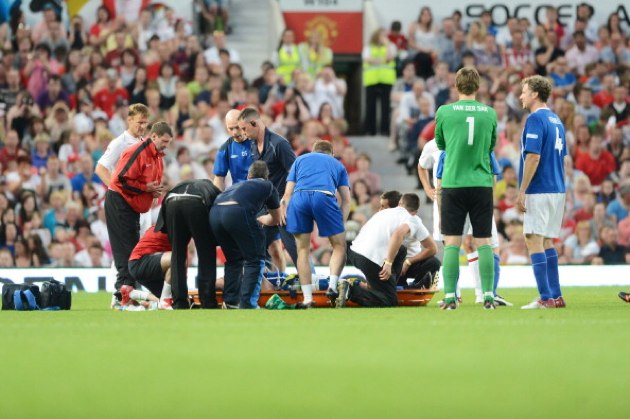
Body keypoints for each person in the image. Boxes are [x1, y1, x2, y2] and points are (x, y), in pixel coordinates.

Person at [419, 139, 512, 306]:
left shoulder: (470, 139)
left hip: (467, 197)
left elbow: (492, 173)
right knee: (454, 243)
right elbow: (422, 166)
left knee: (476, 243)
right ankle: (458, 293)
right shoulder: (433, 145)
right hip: (454, 198)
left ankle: (483, 293)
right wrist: (428, 189)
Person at [434, 66, 497, 310]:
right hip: (481, 183)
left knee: (452, 242)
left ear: (456, 86)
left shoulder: (444, 112)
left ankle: (450, 296)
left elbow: (441, 143)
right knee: (484, 242)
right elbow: (491, 145)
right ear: (478, 86)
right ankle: (488, 295)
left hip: (453, 183)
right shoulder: (489, 113)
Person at [517, 75, 568, 309]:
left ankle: (546, 298)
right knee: (547, 241)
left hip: (540, 188)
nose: (521, 95)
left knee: (533, 239)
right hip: (557, 188)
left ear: (535, 94)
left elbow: (533, 156)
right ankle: (556, 296)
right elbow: (563, 158)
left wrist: (522, 191)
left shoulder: (535, 119)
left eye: (524, 91)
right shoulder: (556, 120)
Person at [281, 140, 351, 308]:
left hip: (299, 198)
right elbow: (347, 200)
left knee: (302, 250)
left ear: (313, 151)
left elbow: (287, 194)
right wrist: (340, 223)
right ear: (331, 154)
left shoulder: (300, 160)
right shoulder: (337, 164)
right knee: (339, 246)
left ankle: (307, 299)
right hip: (323, 196)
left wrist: (285, 209)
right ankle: (332, 286)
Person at [105, 121, 171, 296]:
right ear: (154, 136)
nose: (166, 146)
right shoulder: (138, 151)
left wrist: (153, 193)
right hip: (120, 203)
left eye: (168, 142)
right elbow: (120, 180)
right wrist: (145, 189)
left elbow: (149, 182)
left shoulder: (157, 157)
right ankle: (122, 294)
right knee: (126, 252)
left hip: (132, 207)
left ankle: (128, 293)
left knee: (132, 250)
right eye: (164, 141)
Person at [209, 161, 281, 309]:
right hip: (237, 211)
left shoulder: (236, 186)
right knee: (255, 260)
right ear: (266, 177)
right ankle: (248, 304)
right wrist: (261, 219)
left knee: (234, 259)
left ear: (249, 175)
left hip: (215, 213)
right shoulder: (267, 186)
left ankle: (230, 302)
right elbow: (276, 218)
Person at [337, 193, 424, 308]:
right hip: (368, 257)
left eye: (383, 206)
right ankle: (351, 290)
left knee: (401, 250)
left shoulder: (382, 216)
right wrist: (389, 263)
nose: (380, 209)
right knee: (389, 301)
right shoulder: (407, 220)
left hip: (354, 251)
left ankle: (383, 287)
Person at [237, 107, 298, 268]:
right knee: (257, 245)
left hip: (284, 204)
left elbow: (296, 173)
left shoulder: (279, 144)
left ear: (254, 123)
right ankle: (266, 284)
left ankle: (311, 283)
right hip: (266, 205)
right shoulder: (252, 146)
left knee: (294, 248)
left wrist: (287, 200)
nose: (243, 133)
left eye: (244, 128)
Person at [155, 178, 222, 309]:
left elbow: (162, 225)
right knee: (206, 253)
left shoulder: (182, 185)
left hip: (171, 202)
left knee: (177, 254)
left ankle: (179, 302)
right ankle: (207, 301)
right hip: (197, 202)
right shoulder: (214, 191)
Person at [96, 103, 153, 236]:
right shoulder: (120, 143)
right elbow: (100, 168)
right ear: (130, 120)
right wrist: (120, 194)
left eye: (145, 123)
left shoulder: (145, 143)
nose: (143, 126)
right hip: (127, 206)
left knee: (144, 249)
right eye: (140, 122)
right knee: (127, 250)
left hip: (144, 204)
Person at [128, 224, 173, 310]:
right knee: (176, 258)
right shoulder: (170, 229)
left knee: (176, 301)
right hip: (139, 262)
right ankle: (164, 301)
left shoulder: (164, 225)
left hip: (141, 265)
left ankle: (150, 304)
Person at [363, 28, 397, 136]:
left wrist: (386, 45)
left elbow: (390, 57)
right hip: (371, 80)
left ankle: (384, 130)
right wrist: (382, 60)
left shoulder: (391, 46)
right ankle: (370, 130)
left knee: (385, 107)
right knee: (370, 106)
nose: (383, 37)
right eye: (380, 35)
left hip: (386, 80)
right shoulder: (368, 47)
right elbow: (368, 59)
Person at [212, 109, 253, 191]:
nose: (234, 132)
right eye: (231, 129)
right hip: (239, 193)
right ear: (226, 127)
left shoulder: (258, 142)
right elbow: (219, 178)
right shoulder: (225, 149)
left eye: (237, 127)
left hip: (261, 191)